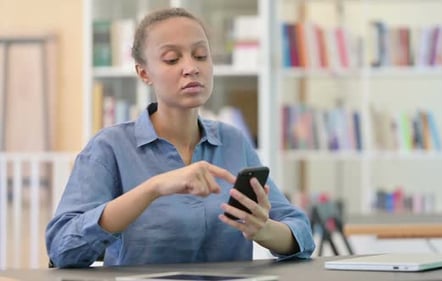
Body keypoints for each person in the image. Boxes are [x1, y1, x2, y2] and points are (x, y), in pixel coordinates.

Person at [45, 7, 315, 268]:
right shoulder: (109, 147)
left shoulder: (233, 141)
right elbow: (62, 248)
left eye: (200, 56)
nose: (191, 68)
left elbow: (301, 233)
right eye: (172, 59)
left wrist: (263, 229)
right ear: (144, 73)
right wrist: (154, 188)